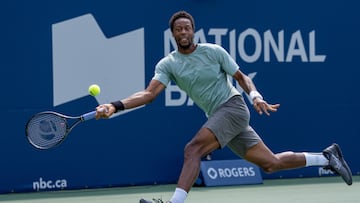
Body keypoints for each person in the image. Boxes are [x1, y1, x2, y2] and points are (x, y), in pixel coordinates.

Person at [95, 11, 353, 203]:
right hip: (219, 116)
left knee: (193, 149)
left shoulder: (213, 51)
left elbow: (242, 77)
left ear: (193, 31)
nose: (183, 32)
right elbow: (148, 94)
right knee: (271, 163)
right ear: (172, 34)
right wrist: (114, 106)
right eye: (178, 29)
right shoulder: (168, 64)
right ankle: (327, 157)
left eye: (187, 28)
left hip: (233, 107)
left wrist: (255, 96)